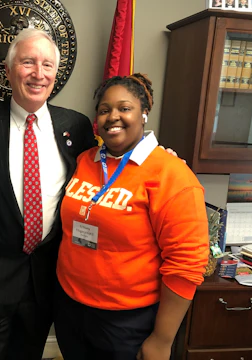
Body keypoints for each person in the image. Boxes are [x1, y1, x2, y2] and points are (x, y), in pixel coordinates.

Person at [0, 29, 182, 360]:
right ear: (9, 72)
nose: (38, 73)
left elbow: (110, 161)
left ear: (56, 74)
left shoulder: (77, 126)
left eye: (47, 65)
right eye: (28, 62)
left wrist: (159, 155)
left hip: (46, 284)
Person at [53, 73, 209, 360]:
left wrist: (162, 339)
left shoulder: (171, 174)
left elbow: (186, 264)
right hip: (71, 309)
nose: (113, 117)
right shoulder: (85, 160)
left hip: (127, 322)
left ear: (144, 114)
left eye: (124, 108)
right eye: (104, 110)